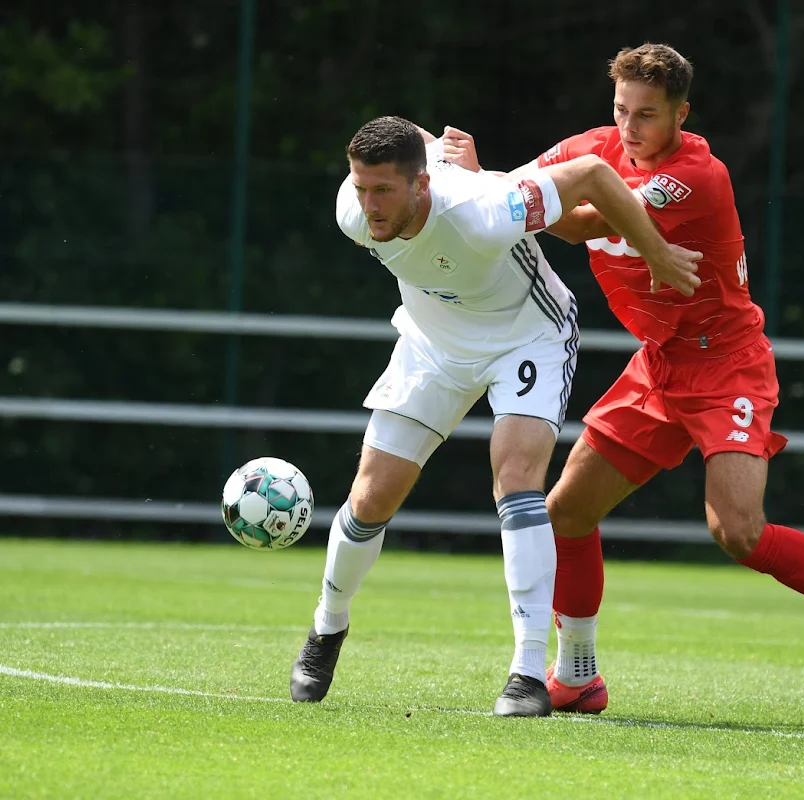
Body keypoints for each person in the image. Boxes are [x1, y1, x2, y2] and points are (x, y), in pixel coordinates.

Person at [442, 44, 804, 717]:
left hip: (726, 362)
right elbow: (526, 193)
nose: (630, 127)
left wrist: (519, 189)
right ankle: (577, 674)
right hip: (658, 364)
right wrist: (483, 177)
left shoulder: (696, 174)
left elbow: (585, 218)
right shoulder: (595, 145)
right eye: (621, 110)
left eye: (648, 115)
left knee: (737, 531)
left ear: (681, 114)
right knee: (567, 512)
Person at [288, 115, 702, 717]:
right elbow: (402, 145)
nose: (370, 206)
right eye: (361, 188)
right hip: (433, 346)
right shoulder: (353, 210)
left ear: (422, 185)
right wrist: (432, 140)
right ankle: (327, 629)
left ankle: (528, 674)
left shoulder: (484, 209)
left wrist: (657, 252)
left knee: (516, 480)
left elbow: (589, 172)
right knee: (372, 497)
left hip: (526, 337)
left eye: (384, 191)